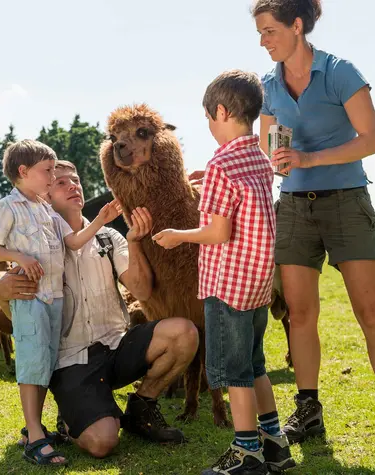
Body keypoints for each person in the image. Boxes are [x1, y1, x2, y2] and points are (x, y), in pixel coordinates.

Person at [252, 0, 375, 456]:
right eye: (260, 33)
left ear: (297, 25)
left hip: (346, 201)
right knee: (301, 316)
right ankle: (308, 409)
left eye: (269, 31)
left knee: (372, 314)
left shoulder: (340, 71)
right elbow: (270, 145)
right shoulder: (268, 86)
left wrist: (310, 158)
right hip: (294, 208)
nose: (263, 41)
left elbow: (373, 139)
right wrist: (270, 159)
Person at [0, 160, 199, 459]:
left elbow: (140, 291)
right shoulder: (34, 249)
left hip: (117, 346)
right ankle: (73, 417)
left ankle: (142, 405)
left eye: (75, 180)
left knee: (184, 333)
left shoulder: (107, 238)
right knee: (102, 443)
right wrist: (0, 295)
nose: (73, 185)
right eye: (61, 182)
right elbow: (26, 319)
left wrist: (134, 241)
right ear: (45, 194)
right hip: (71, 360)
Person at [154, 70, 296, 475]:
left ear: (220, 111)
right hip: (257, 283)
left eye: (209, 119)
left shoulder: (220, 162)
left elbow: (218, 231)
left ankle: (245, 451)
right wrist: (210, 179)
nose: (210, 128)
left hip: (227, 284)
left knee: (234, 373)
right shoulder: (258, 155)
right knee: (255, 365)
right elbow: (242, 201)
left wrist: (178, 236)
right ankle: (275, 445)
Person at [0, 140, 120, 467]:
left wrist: (99, 220)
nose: (52, 176)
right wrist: (18, 256)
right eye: (48, 171)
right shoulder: (9, 207)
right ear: (23, 172)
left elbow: (72, 242)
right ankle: (35, 437)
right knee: (31, 363)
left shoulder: (46, 209)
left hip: (54, 298)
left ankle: (34, 430)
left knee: (44, 363)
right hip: (31, 297)